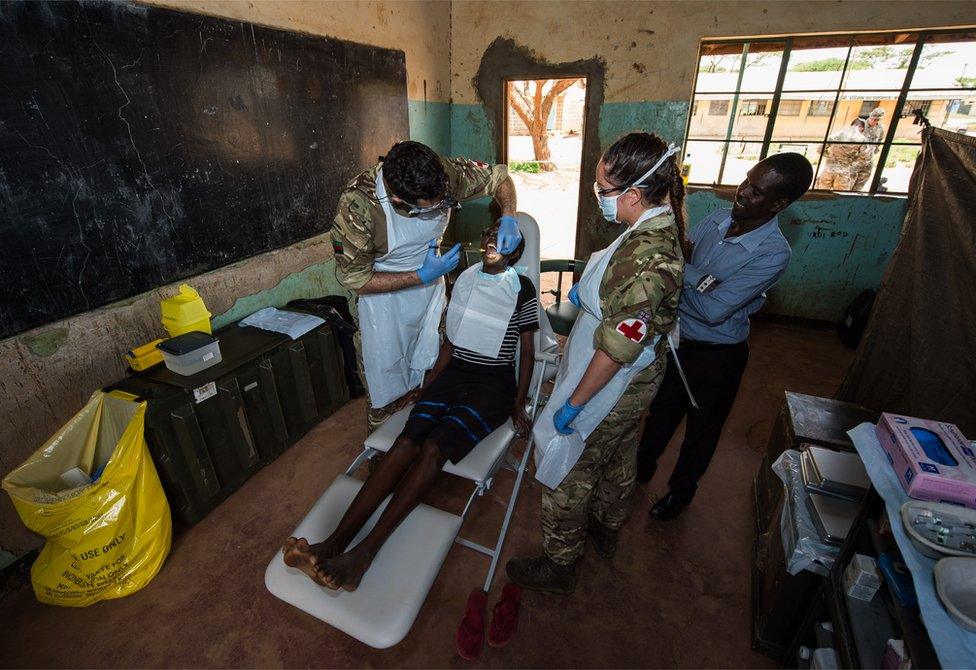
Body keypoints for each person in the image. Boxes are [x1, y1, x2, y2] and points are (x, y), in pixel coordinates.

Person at [283, 223, 539, 590]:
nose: (491, 239)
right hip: (455, 374)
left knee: (434, 448)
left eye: (502, 237)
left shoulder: (522, 288)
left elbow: (526, 351)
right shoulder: (464, 279)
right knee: (406, 442)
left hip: (494, 384)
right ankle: (333, 543)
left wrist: (518, 403)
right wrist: (426, 386)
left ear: (514, 251)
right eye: (488, 232)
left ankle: (364, 555)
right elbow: (451, 343)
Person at [506, 133, 685, 595]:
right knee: (619, 452)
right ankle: (606, 527)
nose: (598, 198)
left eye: (603, 191)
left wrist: (574, 404)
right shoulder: (651, 227)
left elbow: (617, 350)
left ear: (632, 194)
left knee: (569, 466)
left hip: (615, 378)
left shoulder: (649, 257)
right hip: (636, 374)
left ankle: (560, 559)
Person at [635, 152, 814, 521]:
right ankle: (640, 470)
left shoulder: (772, 252)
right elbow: (682, 264)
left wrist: (684, 274)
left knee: (701, 432)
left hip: (717, 356)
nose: (743, 192)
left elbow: (714, 310)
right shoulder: (719, 219)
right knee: (661, 413)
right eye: (747, 180)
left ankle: (680, 493)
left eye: (757, 191)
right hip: (678, 340)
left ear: (779, 203)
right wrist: (700, 281)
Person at [330, 141, 521, 434]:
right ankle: (382, 451)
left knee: (433, 368)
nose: (444, 205)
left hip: (431, 291)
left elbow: (500, 179)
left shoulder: (442, 174)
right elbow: (356, 279)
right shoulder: (359, 206)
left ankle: (419, 433)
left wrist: (509, 215)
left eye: (446, 200)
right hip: (382, 301)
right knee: (385, 381)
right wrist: (419, 275)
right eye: (433, 206)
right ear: (397, 201)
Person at [815, 118, 868, 191]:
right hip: (844, 172)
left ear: (851, 125)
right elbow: (864, 157)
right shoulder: (862, 139)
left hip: (828, 170)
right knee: (839, 197)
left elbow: (820, 149)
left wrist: (830, 156)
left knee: (820, 195)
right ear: (862, 128)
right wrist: (852, 161)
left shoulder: (836, 135)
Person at [852, 107, 886, 190]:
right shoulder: (861, 124)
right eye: (872, 119)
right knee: (849, 182)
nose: (874, 121)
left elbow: (880, 139)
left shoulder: (880, 128)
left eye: (877, 120)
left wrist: (875, 150)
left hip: (868, 160)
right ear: (870, 116)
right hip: (856, 158)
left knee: (860, 184)